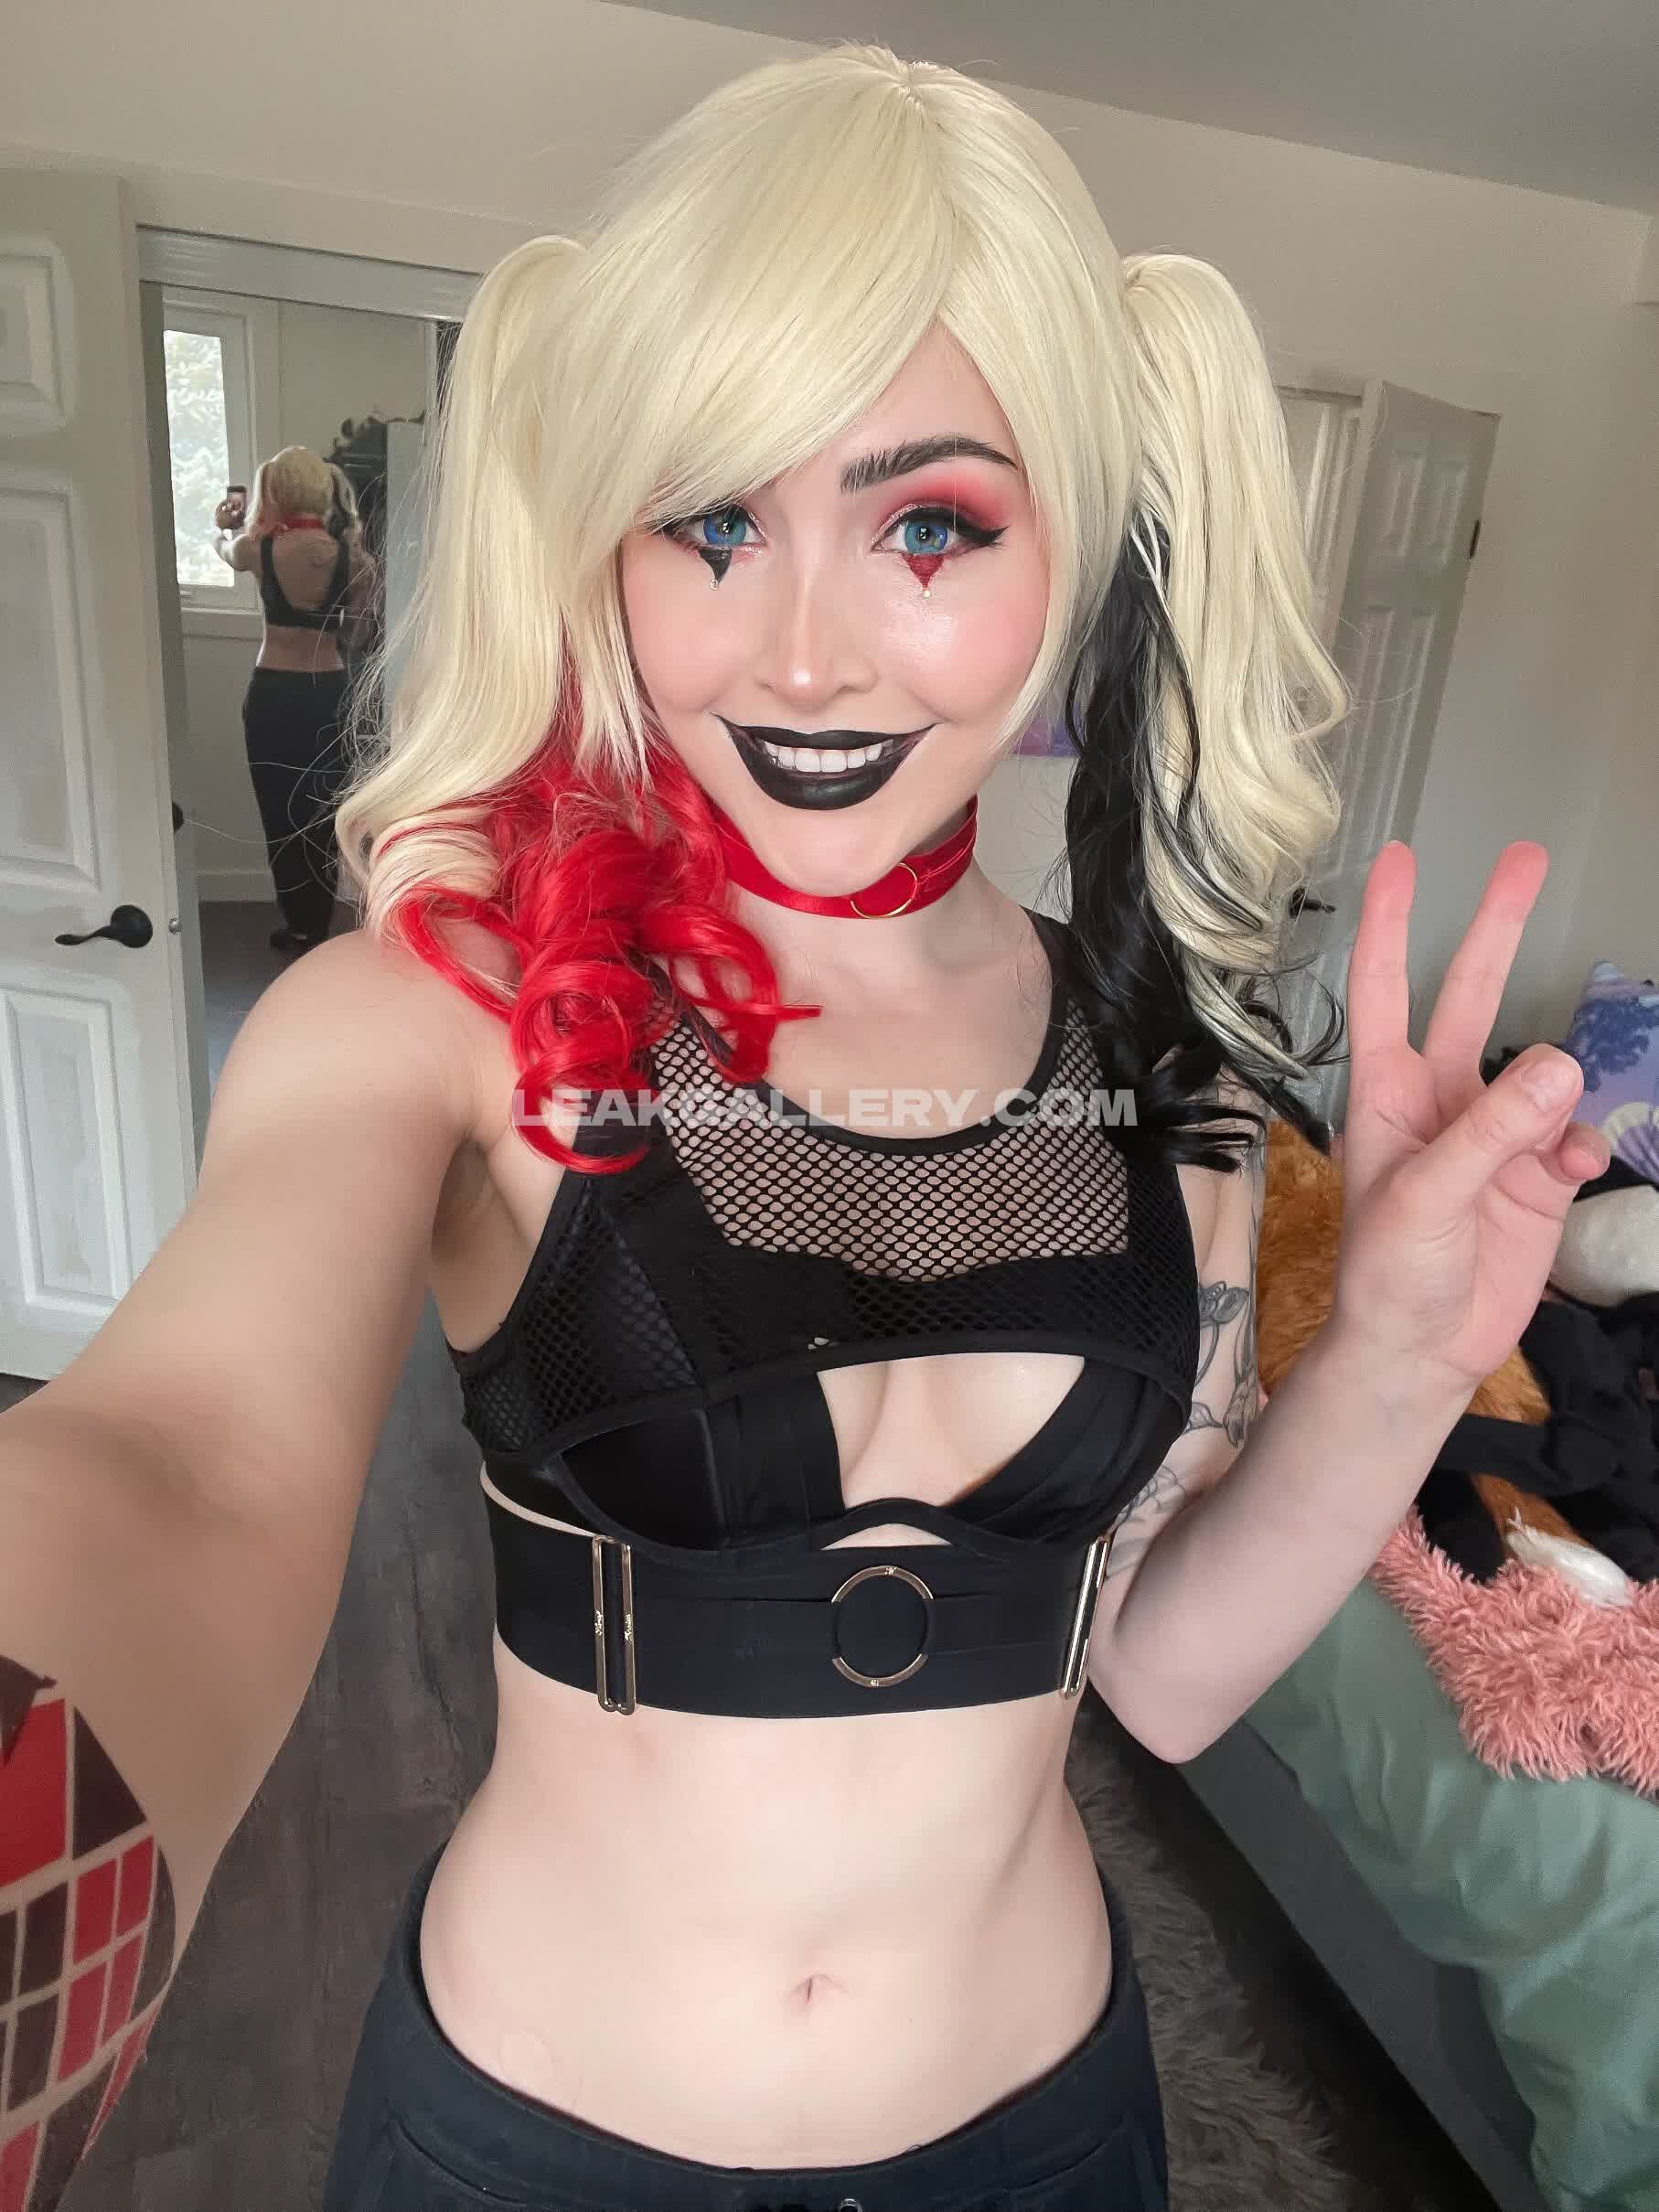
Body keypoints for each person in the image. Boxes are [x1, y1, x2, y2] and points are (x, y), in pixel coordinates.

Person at [0, 45, 1610, 2212]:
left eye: (927, 525)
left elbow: (1152, 1673)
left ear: (1066, 554)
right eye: (713, 522)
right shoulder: (451, 1016)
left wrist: (1405, 1351)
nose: (801, 654)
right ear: (609, 544)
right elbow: (177, 1472)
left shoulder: (1168, 1087)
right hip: (537, 2152)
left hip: (1049, 2137)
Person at [211, 443, 378, 956]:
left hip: (274, 696)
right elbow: (361, 633)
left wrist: (223, 525)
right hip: (329, 695)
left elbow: (223, 549)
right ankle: (320, 924)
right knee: (323, 813)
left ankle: (300, 926)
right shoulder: (353, 558)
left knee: (279, 815)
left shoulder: (257, 550)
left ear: (275, 491)